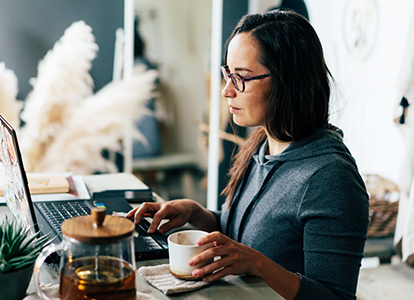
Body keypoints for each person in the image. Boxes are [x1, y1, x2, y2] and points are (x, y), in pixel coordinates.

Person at [126, 10, 369, 300]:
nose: (227, 91)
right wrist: (196, 213)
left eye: (240, 78)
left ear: (287, 82)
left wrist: (257, 264)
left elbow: (335, 297)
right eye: (227, 74)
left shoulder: (330, 179)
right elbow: (247, 234)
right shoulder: (262, 144)